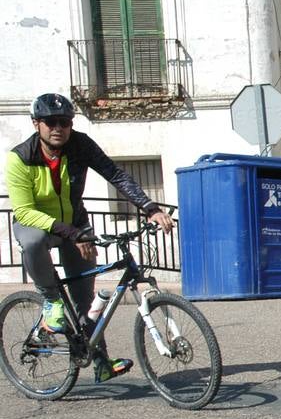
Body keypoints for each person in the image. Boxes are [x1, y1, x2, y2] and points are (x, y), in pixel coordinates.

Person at [5, 93, 175, 381]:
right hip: (37, 224)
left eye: (65, 122)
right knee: (33, 242)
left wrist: (150, 208)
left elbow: (115, 174)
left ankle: (101, 363)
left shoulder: (80, 145)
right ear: (37, 124)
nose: (58, 127)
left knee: (86, 300)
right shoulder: (21, 158)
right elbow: (24, 211)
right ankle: (50, 301)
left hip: (75, 224)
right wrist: (73, 233)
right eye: (50, 122)